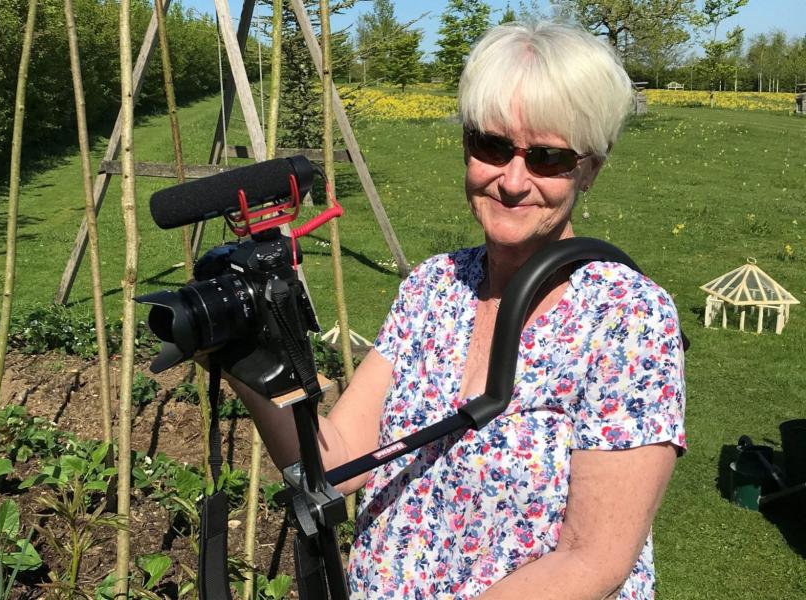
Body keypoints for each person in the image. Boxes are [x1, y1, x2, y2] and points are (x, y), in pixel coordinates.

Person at [230, 21, 686, 600]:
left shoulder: (627, 318)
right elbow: (342, 459)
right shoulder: (432, 287)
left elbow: (592, 559)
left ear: (590, 168)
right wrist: (244, 355)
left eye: (546, 157)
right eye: (492, 146)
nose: (513, 181)